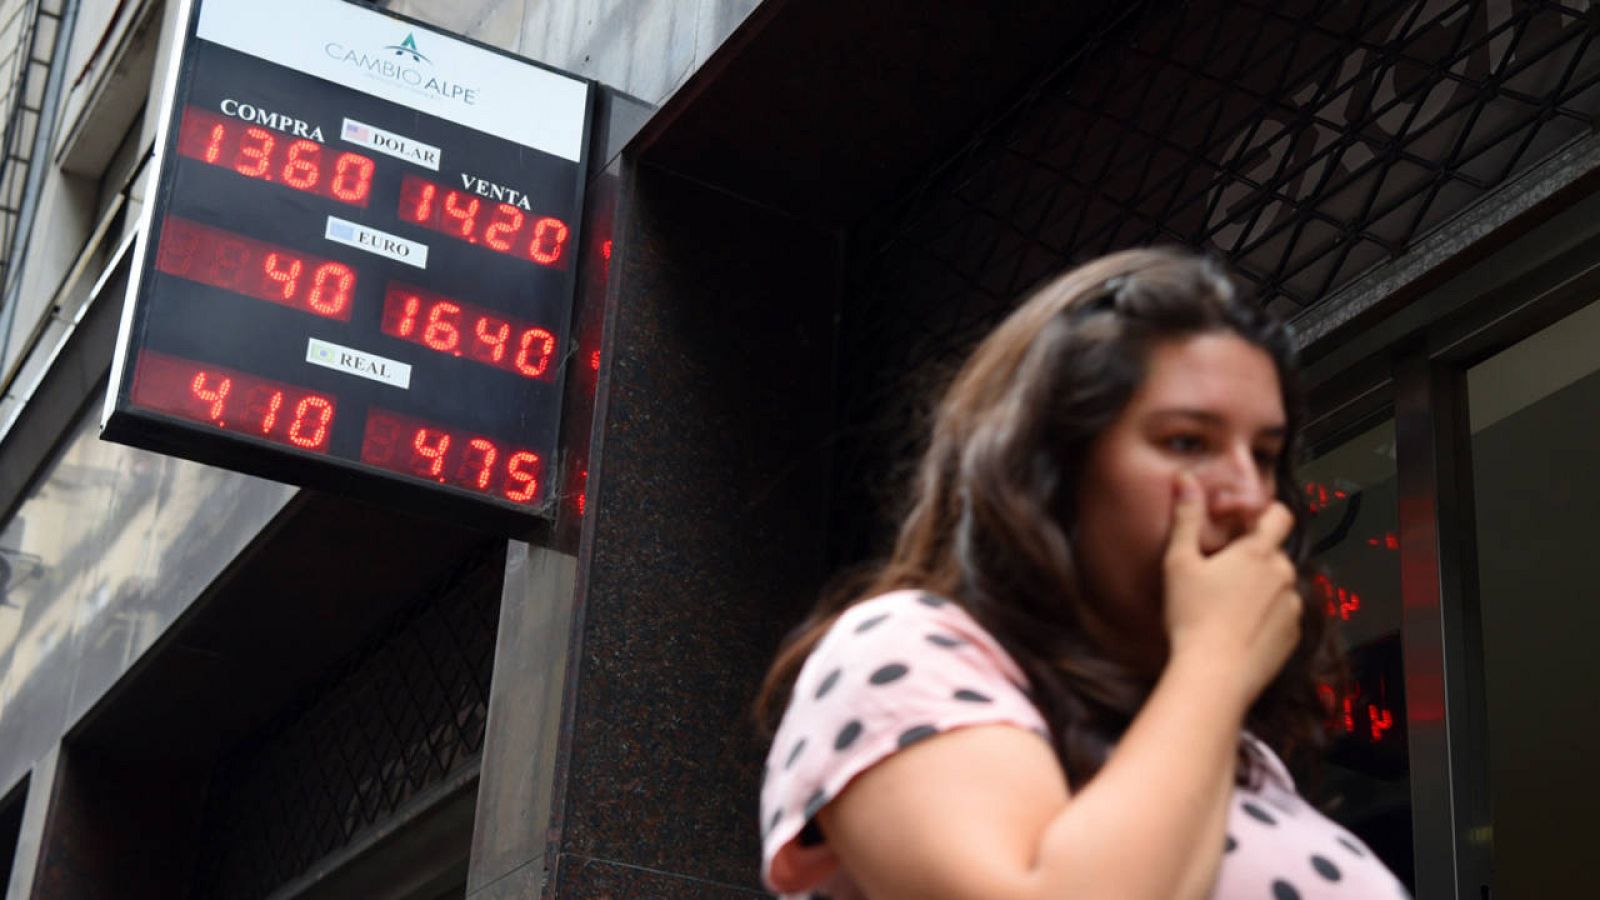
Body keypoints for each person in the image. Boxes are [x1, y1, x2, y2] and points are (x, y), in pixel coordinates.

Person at [754, 248, 1410, 900]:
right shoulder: (907, 649)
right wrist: (1216, 660)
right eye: (1187, 442)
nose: (1247, 494)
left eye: (1265, 455)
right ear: (1054, 469)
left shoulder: (1225, 748)